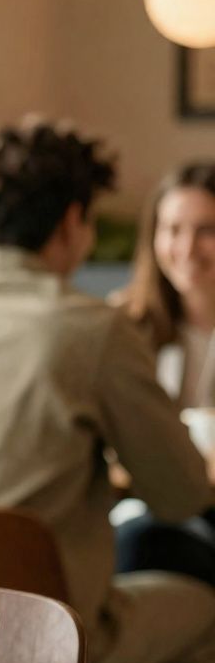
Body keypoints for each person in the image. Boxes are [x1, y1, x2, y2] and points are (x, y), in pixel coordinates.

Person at [0, 119, 215, 663]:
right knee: (203, 609)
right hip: (45, 634)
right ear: (72, 221)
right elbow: (181, 496)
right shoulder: (92, 331)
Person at [114, 161, 215, 587]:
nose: (187, 248)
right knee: (137, 544)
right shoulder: (123, 325)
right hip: (149, 507)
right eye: (172, 229)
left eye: (206, 230)